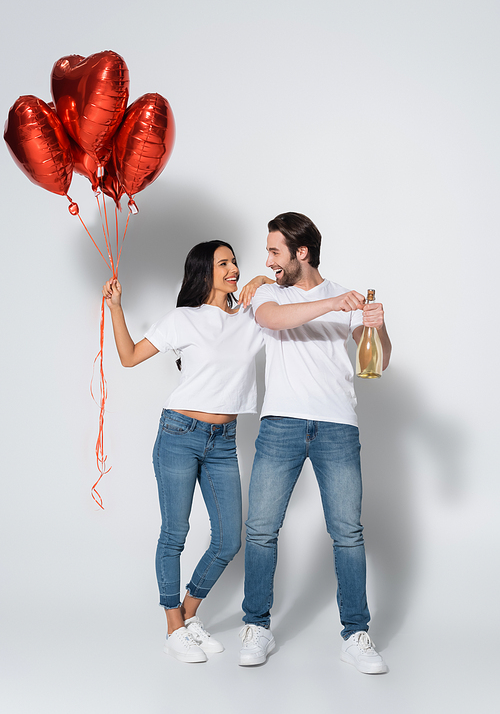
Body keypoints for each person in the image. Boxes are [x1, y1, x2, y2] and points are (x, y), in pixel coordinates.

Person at [238, 212, 392, 674]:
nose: (268, 260)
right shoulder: (268, 292)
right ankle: (257, 625)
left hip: (337, 426)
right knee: (261, 528)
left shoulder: (345, 294)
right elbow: (275, 320)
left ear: (301, 252)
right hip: (281, 423)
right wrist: (332, 306)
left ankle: (356, 634)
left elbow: (379, 362)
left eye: (275, 251)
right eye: (268, 251)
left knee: (347, 532)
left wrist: (377, 326)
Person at [103, 240, 268, 664]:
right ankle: (172, 627)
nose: (233, 268)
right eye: (224, 263)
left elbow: (280, 301)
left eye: (235, 261)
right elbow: (129, 357)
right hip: (178, 432)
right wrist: (116, 307)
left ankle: (188, 616)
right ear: (204, 272)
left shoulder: (251, 318)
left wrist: (264, 279)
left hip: (223, 441)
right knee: (175, 533)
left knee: (230, 538)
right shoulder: (184, 319)